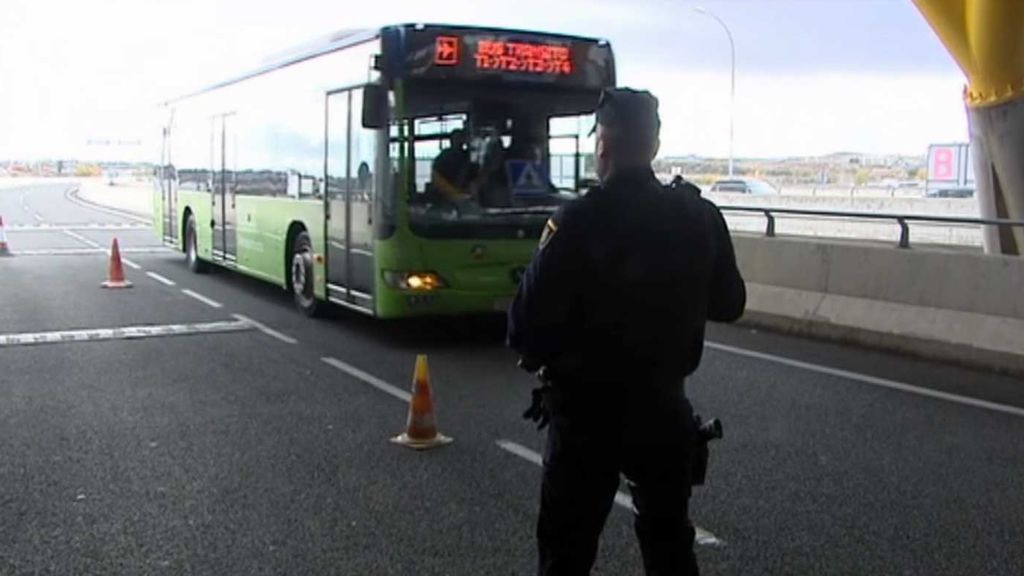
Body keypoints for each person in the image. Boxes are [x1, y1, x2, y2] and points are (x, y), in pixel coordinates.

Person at [507, 87, 746, 576]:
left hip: (585, 420)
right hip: (664, 412)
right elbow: (730, 303)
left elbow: (524, 331)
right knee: (670, 547)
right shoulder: (699, 215)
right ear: (654, 146)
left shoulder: (575, 221)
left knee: (566, 554)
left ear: (603, 147)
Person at [430, 128, 477, 202]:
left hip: (464, 194)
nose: (459, 141)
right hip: (445, 195)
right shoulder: (443, 156)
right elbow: (436, 176)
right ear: (451, 140)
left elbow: (474, 175)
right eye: (456, 139)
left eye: (461, 138)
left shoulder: (468, 156)